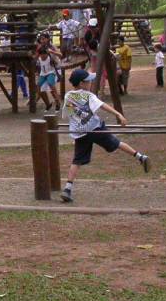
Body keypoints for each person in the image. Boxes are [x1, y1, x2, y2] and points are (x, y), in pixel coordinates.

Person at [59, 69, 151, 203]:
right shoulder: (88, 95)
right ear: (81, 83)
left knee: (77, 161)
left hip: (80, 133)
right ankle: (140, 157)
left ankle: (67, 188)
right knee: (116, 143)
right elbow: (102, 105)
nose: (91, 82)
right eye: (89, 80)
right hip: (95, 129)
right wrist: (118, 114)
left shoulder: (68, 96)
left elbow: (68, 114)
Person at [35, 45, 61, 110]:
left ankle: (58, 102)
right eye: (41, 55)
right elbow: (35, 60)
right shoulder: (39, 58)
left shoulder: (51, 57)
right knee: (39, 87)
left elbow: (60, 56)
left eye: (44, 55)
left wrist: (52, 52)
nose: (43, 56)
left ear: (46, 54)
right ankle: (48, 104)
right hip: (43, 74)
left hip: (51, 73)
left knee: (51, 86)